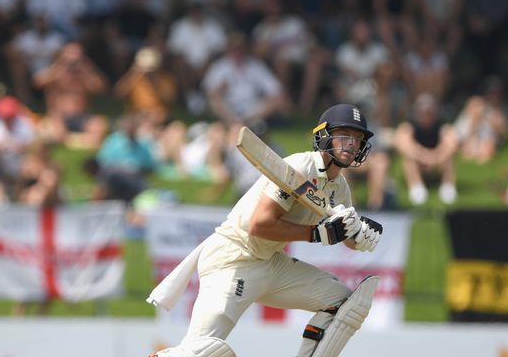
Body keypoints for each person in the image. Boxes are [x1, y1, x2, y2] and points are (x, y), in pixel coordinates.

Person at [147, 104, 383, 357]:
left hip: (270, 264)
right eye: (344, 135)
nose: (351, 143)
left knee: (343, 303)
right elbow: (259, 225)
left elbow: (341, 233)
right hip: (233, 258)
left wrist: (358, 233)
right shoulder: (298, 168)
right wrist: (315, 234)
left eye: (357, 138)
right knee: (200, 351)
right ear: (324, 135)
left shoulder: (340, 187)